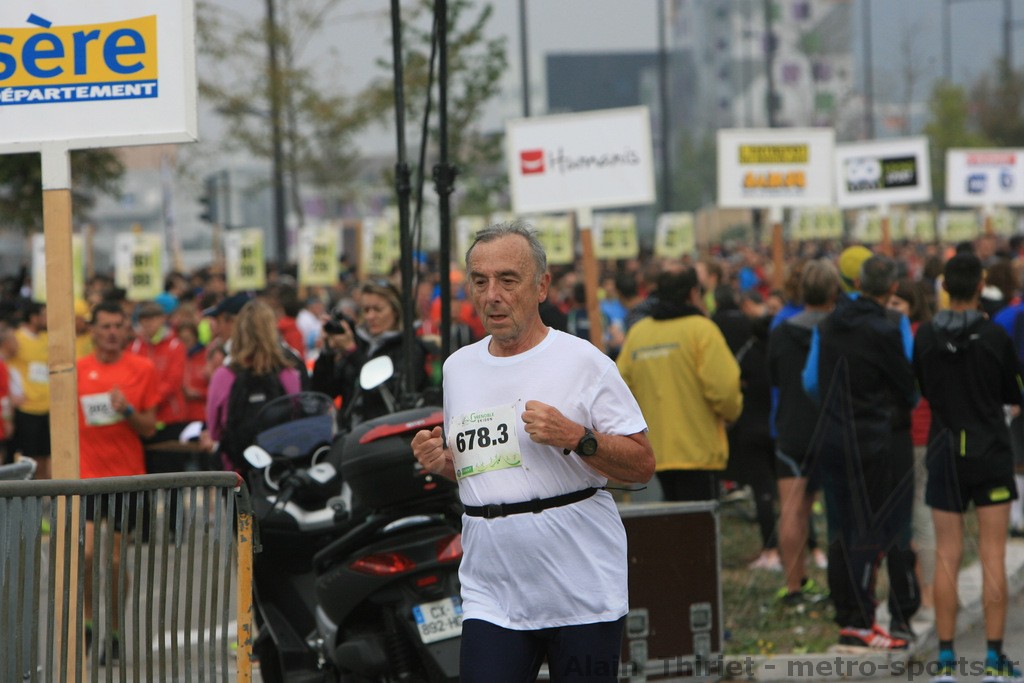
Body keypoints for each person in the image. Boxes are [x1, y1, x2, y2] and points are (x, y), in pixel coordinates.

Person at [410, 222, 655, 682]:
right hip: (492, 590)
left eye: (508, 280)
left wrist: (577, 436)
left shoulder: (584, 362)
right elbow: (484, 472)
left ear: (541, 286)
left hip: (581, 587)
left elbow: (642, 464)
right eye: (480, 281)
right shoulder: (458, 368)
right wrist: (442, 463)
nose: (492, 295)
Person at [913, 253, 1023, 683]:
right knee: (992, 553)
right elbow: (1014, 390)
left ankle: (946, 662)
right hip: (990, 450)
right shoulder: (994, 335)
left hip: (944, 450)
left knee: (948, 554)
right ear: (980, 287)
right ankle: (993, 661)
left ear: (944, 288)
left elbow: (920, 386)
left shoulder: (925, 336)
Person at [803, 255, 918, 651]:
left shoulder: (828, 323)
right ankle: (872, 619)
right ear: (892, 288)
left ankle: (847, 616)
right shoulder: (891, 325)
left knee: (840, 527)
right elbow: (908, 386)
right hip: (877, 438)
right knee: (877, 528)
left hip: (835, 437)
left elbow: (812, 382)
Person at [77, 301, 160, 660]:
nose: (111, 333)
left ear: (127, 329)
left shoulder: (142, 369)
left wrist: (126, 409)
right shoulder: (76, 371)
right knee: (85, 553)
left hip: (126, 478)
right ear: (92, 330)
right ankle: (88, 622)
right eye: (105, 326)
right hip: (86, 477)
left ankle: (112, 630)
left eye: (117, 326)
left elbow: (149, 428)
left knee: (113, 560)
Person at [617, 268, 742, 502]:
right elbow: (724, 389)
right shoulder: (702, 330)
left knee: (664, 523)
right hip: (698, 452)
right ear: (694, 293)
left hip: (651, 453)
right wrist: (730, 413)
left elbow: (620, 389)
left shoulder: (638, 334)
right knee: (698, 522)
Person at [767, 258, 840, 603]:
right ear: (834, 292)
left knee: (791, 509)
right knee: (838, 509)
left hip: (792, 427)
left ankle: (794, 585)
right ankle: (843, 586)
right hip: (832, 427)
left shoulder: (781, 331)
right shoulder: (839, 330)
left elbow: (773, 377)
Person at [206, 299, 303, 474]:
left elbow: (214, 431)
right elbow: (297, 418)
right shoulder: (289, 373)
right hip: (279, 468)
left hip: (236, 470)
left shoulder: (224, 375)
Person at [311, 280, 427, 426]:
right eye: (366, 310)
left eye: (378, 310)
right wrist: (327, 352)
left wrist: (352, 351)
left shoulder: (410, 348)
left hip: (386, 431)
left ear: (396, 311)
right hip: (351, 433)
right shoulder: (360, 342)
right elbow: (324, 392)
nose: (370, 316)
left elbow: (389, 392)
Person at [10, 301, 51, 478]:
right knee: (27, 458)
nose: (47, 318)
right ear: (33, 318)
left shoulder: (47, 339)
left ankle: (43, 494)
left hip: (47, 407)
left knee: (45, 456)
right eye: (44, 314)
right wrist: (11, 395)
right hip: (26, 408)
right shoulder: (16, 338)